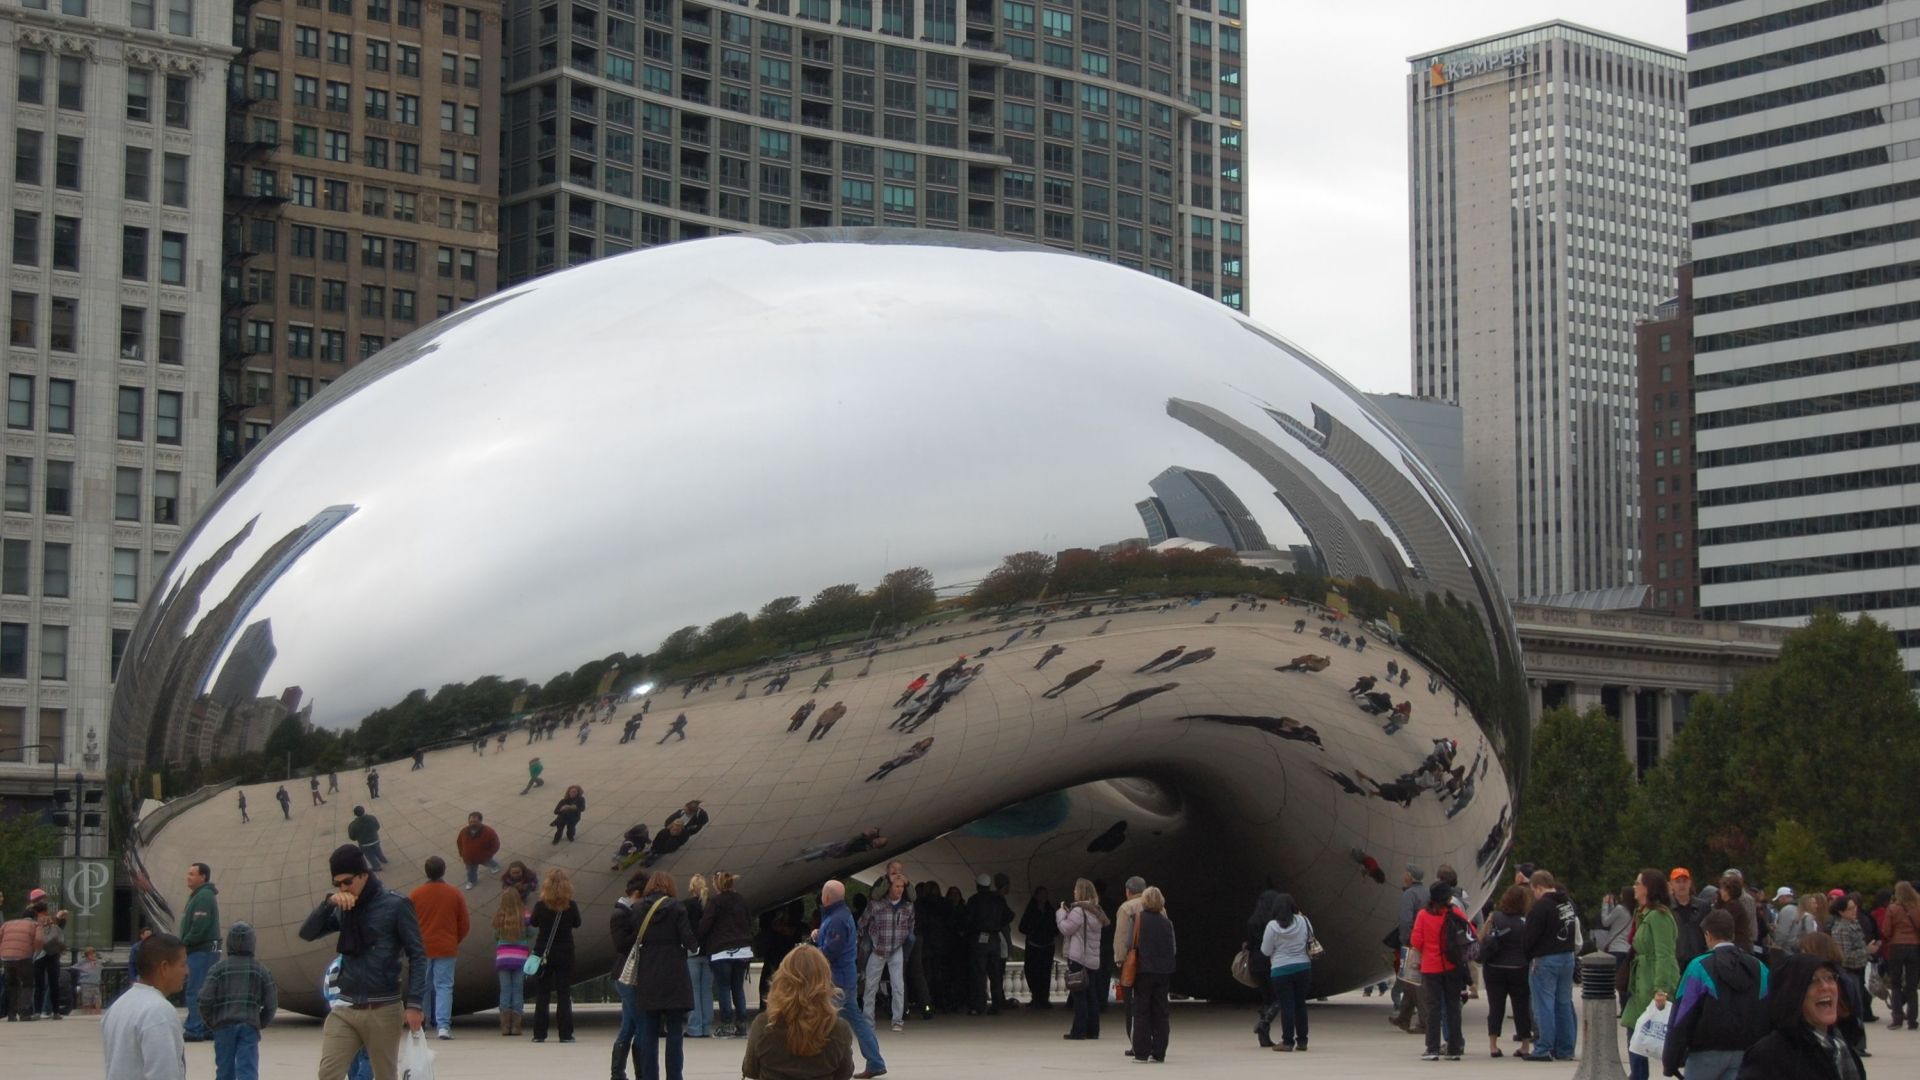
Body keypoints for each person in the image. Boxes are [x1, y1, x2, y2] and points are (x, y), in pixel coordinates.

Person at [297, 844, 428, 1080]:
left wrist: (415, 1003)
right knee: (328, 1073)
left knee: (384, 1075)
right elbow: (307, 933)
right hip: (345, 1007)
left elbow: (417, 954)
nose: (343, 888)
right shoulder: (344, 907)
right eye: (337, 884)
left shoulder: (396, 905)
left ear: (363, 875)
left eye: (347, 882)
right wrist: (329, 904)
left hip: (383, 1008)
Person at [1662, 909, 1768, 1080]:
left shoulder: (1698, 966)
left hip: (1705, 1052)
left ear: (1708, 935)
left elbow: (1682, 1016)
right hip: (1745, 1052)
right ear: (1732, 934)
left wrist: (1670, 1061)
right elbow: (1768, 1011)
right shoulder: (1759, 968)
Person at [1734, 952, 1863, 1080]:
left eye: (1829, 977)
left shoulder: (1842, 1047)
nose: (1825, 986)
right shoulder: (1770, 1054)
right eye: (1814, 980)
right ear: (1794, 994)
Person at [742, 944, 855, 1080]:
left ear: (782, 979)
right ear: (825, 981)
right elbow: (845, 1073)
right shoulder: (838, 1028)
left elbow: (750, 1070)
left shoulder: (764, 1024)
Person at [815, 880, 886, 1079]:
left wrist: (810, 954)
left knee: (824, 1022)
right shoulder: (840, 915)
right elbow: (835, 940)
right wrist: (819, 935)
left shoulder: (836, 918)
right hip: (846, 977)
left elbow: (831, 950)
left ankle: (826, 1064)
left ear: (826, 897)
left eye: (822, 893)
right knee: (857, 1020)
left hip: (837, 980)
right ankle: (875, 1061)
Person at [195, 921, 277, 1080]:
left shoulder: (218, 968)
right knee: (248, 1071)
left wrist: (212, 1021)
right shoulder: (261, 970)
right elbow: (271, 1004)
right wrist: (260, 1022)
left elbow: (204, 999)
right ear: (252, 942)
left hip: (223, 1025)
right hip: (249, 1025)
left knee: (224, 1072)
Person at [103, 932, 188, 1080]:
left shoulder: (118, 1006)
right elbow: (164, 1074)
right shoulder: (158, 1011)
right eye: (183, 964)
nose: (187, 971)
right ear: (164, 967)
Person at [1623, 869, 1681, 1080]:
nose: (1634, 887)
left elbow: (1664, 954)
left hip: (1652, 983)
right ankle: (1637, 1076)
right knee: (1633, 1032)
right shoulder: (1644, 913)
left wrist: (1661, 989)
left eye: (1638, 883)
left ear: (1648, 888)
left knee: (1639, 1034)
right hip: (1640, 982)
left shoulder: (1659, 917)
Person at [409, 856, 470, 1040]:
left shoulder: (416, 894)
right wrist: (453, 939)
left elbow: (407, 922)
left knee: (422, 986)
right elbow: (464, 923)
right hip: (446, 946)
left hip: (421, 947)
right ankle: (443, 1025)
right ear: (443, 871)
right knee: (444, 986)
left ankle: (423, 1022)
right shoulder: (454, 893)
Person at [1521, 869, 1579, 1062]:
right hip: (1567, 957)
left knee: (1544, 1004)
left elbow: (1530, 936)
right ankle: (1565, 1048)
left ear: (1538, 887)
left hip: (1546, 959)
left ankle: (1544, 1047)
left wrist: (1528, 955)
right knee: (1563, 1003)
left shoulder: (1540, 907)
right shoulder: (1567, 904)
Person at [1410, 880, 1469, 1061]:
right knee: (1453, 1007)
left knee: (1433, 1008)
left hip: (1431, 967)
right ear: (1448, 898)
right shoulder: (1456, 913)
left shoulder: (1423, 915)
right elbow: (1469, 932)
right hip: (1452, 966)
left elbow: (1416, 941)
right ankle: (1453, 1047)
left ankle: (1432, 1047)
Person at [528, 868, 582, 1043]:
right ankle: (565, 1034)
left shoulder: (540, 906)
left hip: (544, 951)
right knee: (563, 993)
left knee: (542, 993)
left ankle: (539, 1034)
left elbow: (534, 922)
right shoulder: (571, 905)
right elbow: (577, 923)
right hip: (565, 952)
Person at [1481, 883, 1533, 1059]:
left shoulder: (1495, 917)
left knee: (1496, 1007)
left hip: (1494, 968)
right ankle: (1525, 1045)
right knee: (1521, 1007)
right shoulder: (1525, 921)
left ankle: (1493, 1045)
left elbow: (1482, 938)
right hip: (1519, 968)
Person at [1259, 892, 1314, 1053]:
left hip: (1281, 970)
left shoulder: (1272, 926)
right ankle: (1302, 1041)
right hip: (1303, 967)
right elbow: (1310, 939)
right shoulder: (1304, 921)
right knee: (1300, 1004)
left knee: (1287, 1005)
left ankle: (1288, 1041)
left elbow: (1266, 951)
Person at [859, 875, 915, 1033]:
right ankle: (868, 1021)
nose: (900, 890)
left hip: (896, 948)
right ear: (889, 888)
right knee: (870, 985)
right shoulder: (876, 905)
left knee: (898, 985)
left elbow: (911, 925)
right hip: (878, 949)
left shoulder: (908, 906)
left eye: (902, 887)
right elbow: (862, 923)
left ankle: (898, 1020)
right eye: (897, 887)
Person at [1056, 878, 1109, 1040]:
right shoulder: (1097, 911)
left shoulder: (1079, 911)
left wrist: (1061, 914)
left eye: (1075, 889)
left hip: (1078, 957)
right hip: (1092, 959)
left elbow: (1066, 929)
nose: (1073, 892)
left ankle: (1078, 1030)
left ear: (1081, 892)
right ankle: (1093, 1030)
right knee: (1092, 995)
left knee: (1079, 996)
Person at [1128, 886, 1175, 1063]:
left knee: (1141, 1011)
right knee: (1161, 1012)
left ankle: (1141, 1052)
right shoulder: (1166, 922)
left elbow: (1129, 942)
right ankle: (1159, 1052)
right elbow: (1173, 946)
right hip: (1164, 971)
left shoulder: (1138, 919)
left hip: (1144, 970)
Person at [181, 862, 221, 1042]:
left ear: (203, 876)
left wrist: (184, 944)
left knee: (195, 990)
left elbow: (199, 926)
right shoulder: (202, 895)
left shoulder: (203, 896)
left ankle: (195, 1027)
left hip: (201, 950)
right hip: (205, 950)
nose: (188, 877)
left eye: (192, 873)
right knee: (205, 989)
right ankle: (206, 1026)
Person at [1390, 865, 1430, 1034]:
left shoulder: (1409, 894)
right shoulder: (1427, 893)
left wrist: (1404, 941)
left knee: (1415, 983)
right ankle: (1404, 1017)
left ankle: (1424, 1022)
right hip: (1425, 942)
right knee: (1410, 982)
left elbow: (1405, 921)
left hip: (1413, 943)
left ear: (1410, 877)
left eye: (1405, 873)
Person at [963, 872, 1010, 1015]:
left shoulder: (974, 900)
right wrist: (997, 925)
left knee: (979, 973)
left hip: (979, 940)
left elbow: (967, 920)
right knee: (995, 973)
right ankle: (996, 1004)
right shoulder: (998, 899)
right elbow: (1009, 915)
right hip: (994, 939)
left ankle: (979, 1004)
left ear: (977, 886)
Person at [492, 888, 533, 1037]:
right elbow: (531, 933)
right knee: (517, 990)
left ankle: (505, 1026)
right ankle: (516, 1026)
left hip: (503, 957)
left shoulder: (499, 916)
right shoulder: (525, 914)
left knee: (505, 990)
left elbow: (496, 936)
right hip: (520, 957)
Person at [1245, 890, 1283, 1047]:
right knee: (1279, 998)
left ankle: (1264, 1036)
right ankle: (1265, 1022)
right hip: (1271, 962)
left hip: (1256, 963)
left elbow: (1250, 943)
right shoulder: (1275, 923)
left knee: (1267, 998)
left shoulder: (1252, 921)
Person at [1884, 880, 1920, 1030]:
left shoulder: (1893, 908)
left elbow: (1886, 930)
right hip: (1914, 946)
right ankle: (1912, 1020)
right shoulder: (1918, 907)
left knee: (1896, 983)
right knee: (1912, 985)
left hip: (1897, 946)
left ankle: (1897, 1018)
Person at [683, 874, 714, 1039]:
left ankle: (695, 1027)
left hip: (692, 951)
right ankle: (707, 1026)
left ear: (691, 888)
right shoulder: (710, 905)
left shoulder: (686, 905)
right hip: (709, 951)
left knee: (693, 991)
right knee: (706, 991)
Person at [1, 901, 43, 1022]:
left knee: (11, 985)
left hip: (7, 958)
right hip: (24, 957)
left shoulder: (7, 924)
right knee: (27, 984)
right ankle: (24, 1013)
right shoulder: (35, 925)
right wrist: (34, 953)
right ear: (34, 917)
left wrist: (3, 952)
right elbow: (39, 940)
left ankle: (11, 1013)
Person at [1019, 886, 1059, 1010]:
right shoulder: (1031, 910)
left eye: (1045, 895)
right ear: (1036, 896)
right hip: (1033, 946)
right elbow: (1022, 927)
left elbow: (1056, 928)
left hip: (1047, 946)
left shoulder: (1050, 910)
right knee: (1032, 972)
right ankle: (1036, 998)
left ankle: (1044, 999)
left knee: (1045, 973)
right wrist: (1033, 931)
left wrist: (1049, 933)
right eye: (1041, 894)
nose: (1043, 897)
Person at [1672, 868, 1713, 971]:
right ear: (1671, 884)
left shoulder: (1703, 906)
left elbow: (1709, 931)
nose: (1682, 885)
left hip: (1699, 960)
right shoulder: (1666, 908)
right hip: (1675, 962)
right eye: (1678, 882)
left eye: (1685, 881)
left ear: (1690, 883)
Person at [456, 812, 503, 889]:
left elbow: (496, 845)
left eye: (475, 822)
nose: (472, 824)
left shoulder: (489, 832)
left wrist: (488, 854)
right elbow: (459, 842)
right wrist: (462, 853)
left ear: (480, 821)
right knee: (471, 871)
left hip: (483, 857)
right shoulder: (464, 831)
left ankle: (495, 866)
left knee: (489, 862)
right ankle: (472, 881)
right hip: (470, 859)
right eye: (470, 821)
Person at [34, 907, 65, 1018]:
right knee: (53, 984)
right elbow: (60, 939)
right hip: (53, 955)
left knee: (39, 985)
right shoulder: (54, 926)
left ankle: (37, 1011)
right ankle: (55, 1012)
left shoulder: (35, 924)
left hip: (39, 956)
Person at [75, 946, 103, 1015]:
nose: (93, 955)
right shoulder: (82, 963)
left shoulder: (98, 962)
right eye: (90, 954)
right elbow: (74, 967)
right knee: (87, 1002)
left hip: (96, 984)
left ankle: (97, 1015)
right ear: (87, 956)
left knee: (97, 1001)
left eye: (94, 954)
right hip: (86, 985)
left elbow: (100, 968)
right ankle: (86, 1015)